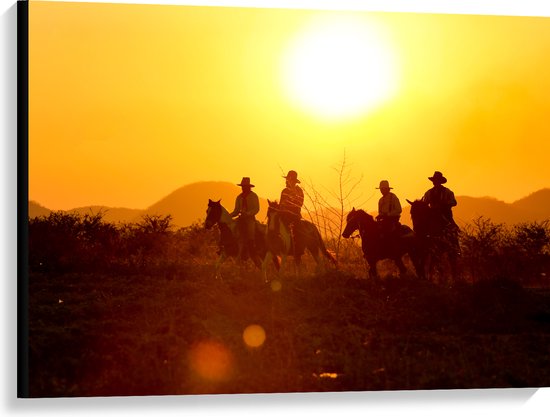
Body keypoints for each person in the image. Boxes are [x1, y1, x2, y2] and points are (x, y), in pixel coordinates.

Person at [229, 177, 261, 266]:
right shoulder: (239, 197)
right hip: (240, 218)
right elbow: (236, 210)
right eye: (242, 186)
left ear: (249, 187)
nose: (243, 188)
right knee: (232, 228)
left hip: (250, 219)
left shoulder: (253, 196)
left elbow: (256, 209)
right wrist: (228, 216)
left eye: (245, 186)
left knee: (251, 231)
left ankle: (252, 246)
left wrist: (248, 213)